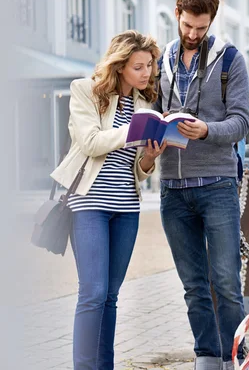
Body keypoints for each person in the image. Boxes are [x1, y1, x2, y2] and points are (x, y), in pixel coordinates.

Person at [50, 30, 167, 370]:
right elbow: (90, 142)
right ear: (119, 66)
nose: (147, 73)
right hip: (89, 203)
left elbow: (140, 170)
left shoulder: (146, 104)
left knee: (111, 297)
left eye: (150, 66)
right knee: (93, 293)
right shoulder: (84, 90)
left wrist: (149, 156)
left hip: (127, 208)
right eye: (139, 67)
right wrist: (135, 131)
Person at [152, 0, 249, 370]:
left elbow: (241, 123)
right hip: (172, 191)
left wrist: (206, 130)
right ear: (178, 14)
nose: (193, 34)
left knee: (226, 283)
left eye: (201, 27)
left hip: (217, 186)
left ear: (211, 21)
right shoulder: (162, 60)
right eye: (188, 25)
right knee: (194, 287)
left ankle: (235, 357)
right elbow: (154, 112)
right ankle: (207, 357)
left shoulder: (231, 60)